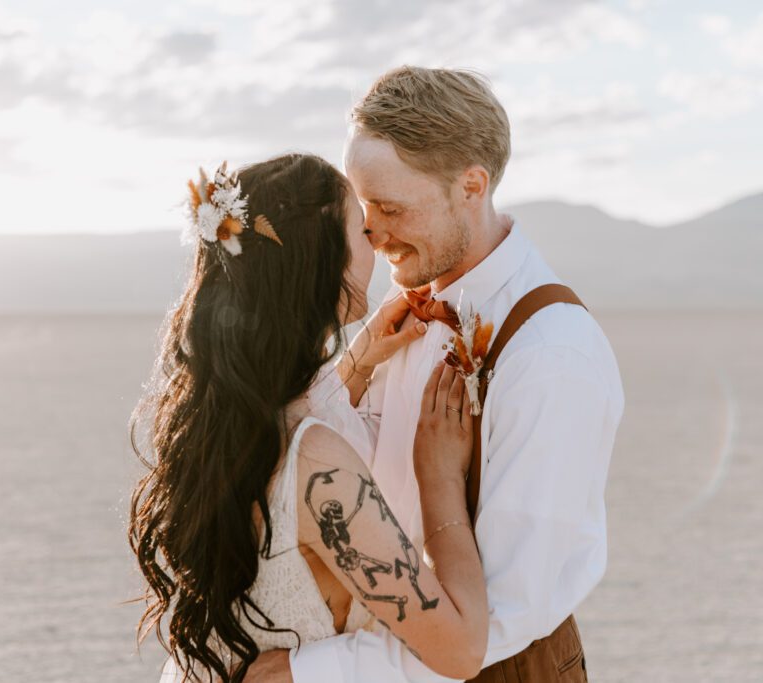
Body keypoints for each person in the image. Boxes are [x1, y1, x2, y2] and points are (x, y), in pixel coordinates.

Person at [244, 66, 625, 682]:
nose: (371, 233)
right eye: (364, 209)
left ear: (470, 186)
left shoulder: (553, 357)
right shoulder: (399, 318)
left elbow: (507, 611)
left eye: (390, 208)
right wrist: (355, 366)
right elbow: (313, 469)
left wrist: (305, 672)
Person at [128, 153, 493, 682]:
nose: (380, 243)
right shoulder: (322, 471)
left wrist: (358, 364)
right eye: (363, 232)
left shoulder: (216, 416)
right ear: (322, 263)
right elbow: (461, 651)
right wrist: (438, 477)